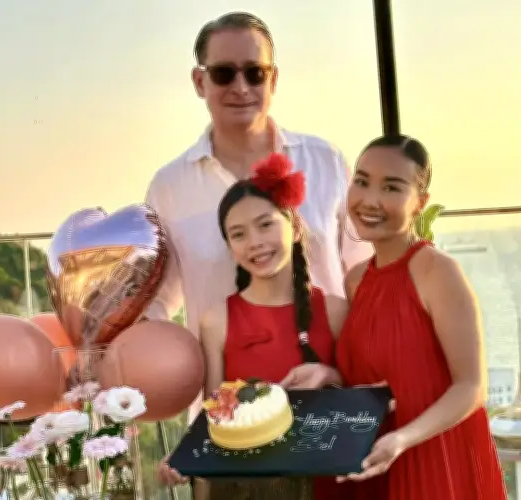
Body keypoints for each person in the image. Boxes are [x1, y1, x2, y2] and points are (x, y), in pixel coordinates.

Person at [144, 10, 371, 355]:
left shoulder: (326, 161)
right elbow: (158, 301)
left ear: (273, 79)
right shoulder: (169, 187)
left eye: (255, 73)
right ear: (199, 82)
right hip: (225, 384)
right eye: (223, 74)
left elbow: (363, 273)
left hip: (331, 377)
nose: (241, 88)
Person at [157, 153, 347, 499]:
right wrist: (185, 458)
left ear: (294, 226)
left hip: (327, 485)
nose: (255, 242)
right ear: (230, 248)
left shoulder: (335, 310)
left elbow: (363, 404)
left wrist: (329, 375)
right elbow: (214, 420)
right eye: (238, 234)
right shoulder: (217, 321)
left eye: (265, 224)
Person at [333, 135, 506, 498]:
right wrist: (328, 375)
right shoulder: (356, 280)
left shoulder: (437, 271)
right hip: (375, 459)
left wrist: (403, 439)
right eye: (362, 182)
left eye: (391, 187)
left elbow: (471, 387)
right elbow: (374, 379)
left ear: (420, 203)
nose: (370, 200)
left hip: (433, 458)